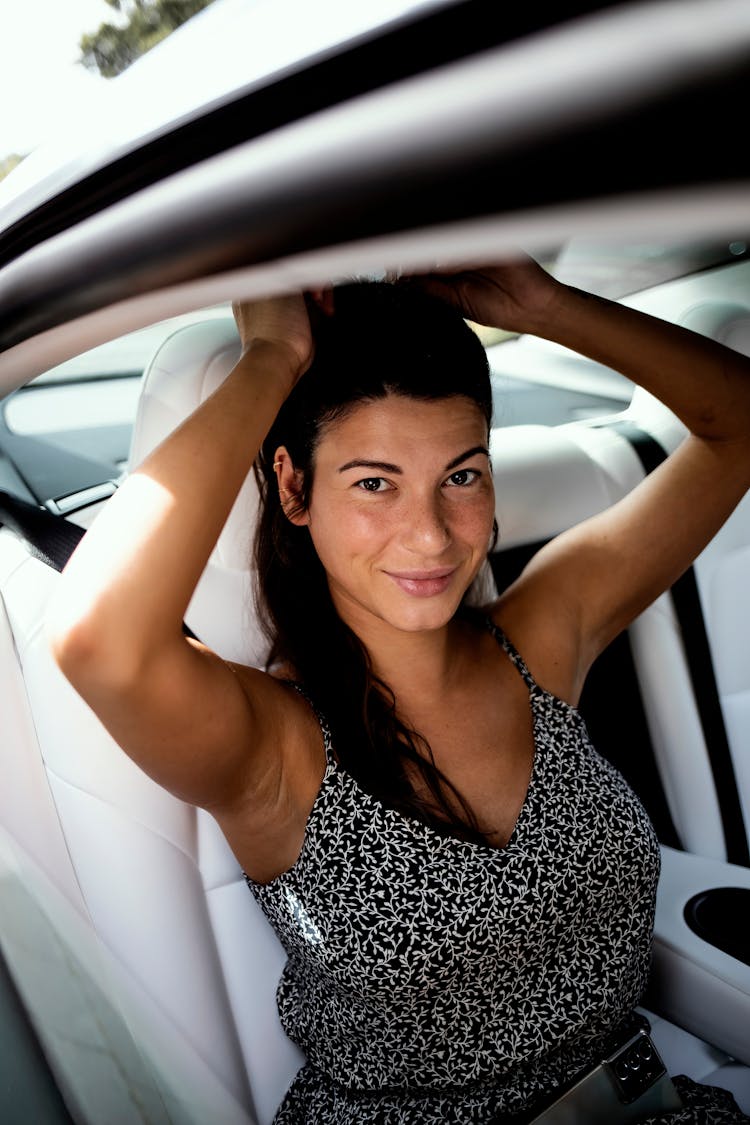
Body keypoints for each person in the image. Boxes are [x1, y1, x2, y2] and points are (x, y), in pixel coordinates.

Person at [47, 254, 750, 1124]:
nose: (431, 533)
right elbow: (95, 638)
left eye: (461, 475)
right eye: (375, 482)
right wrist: (272, 358)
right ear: (294, 487)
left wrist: (547, 304)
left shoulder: (542, 634)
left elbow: (740, 424)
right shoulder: (276, 746)